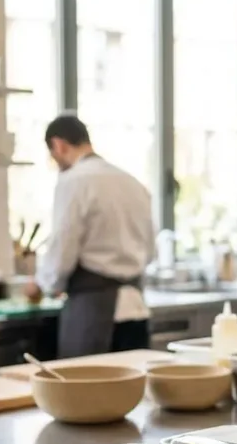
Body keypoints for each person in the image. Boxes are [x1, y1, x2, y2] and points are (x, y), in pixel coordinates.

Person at [27, 114, 155, 358]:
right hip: (136, 311)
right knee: (135, 381)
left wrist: (43, 283)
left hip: (93, 313)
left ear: (58, 145)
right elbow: (150, 251)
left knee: (84, 381)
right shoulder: (132, 182)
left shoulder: (74, 181)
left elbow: (64, 246)